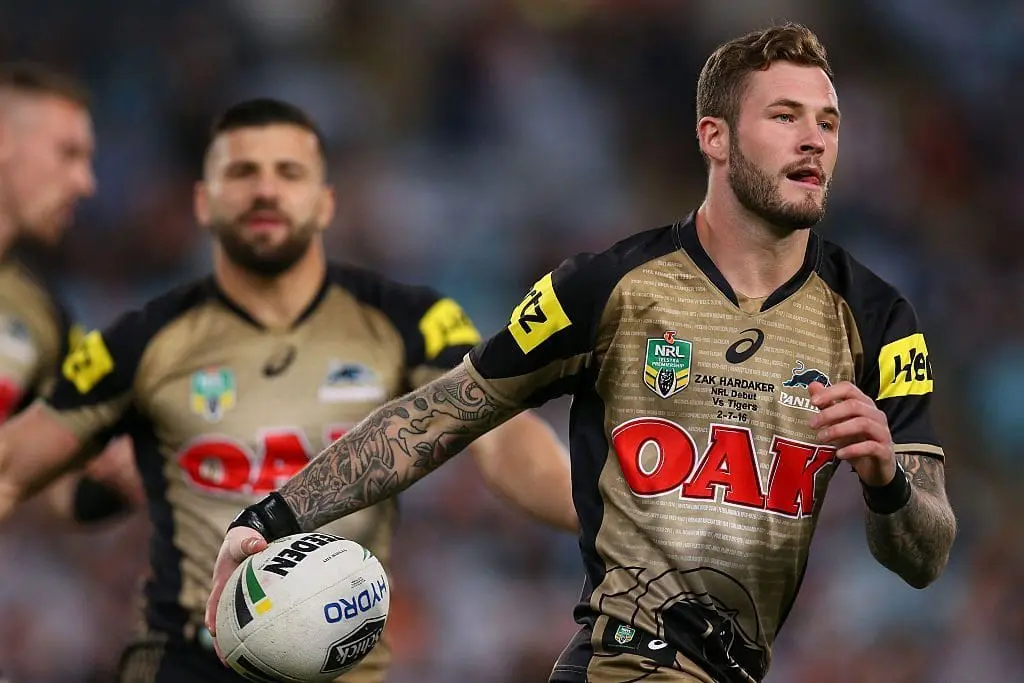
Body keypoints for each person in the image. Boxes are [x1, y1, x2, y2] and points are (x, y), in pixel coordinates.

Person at [207, 23, 958, 683]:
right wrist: (273, 515)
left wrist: (888, 480)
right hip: (628, 659)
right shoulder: (611, 287)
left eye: (828, 121)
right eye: (785, 116)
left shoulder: (878, 317)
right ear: (715, 137)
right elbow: (443, 412)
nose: (814, 139)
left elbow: (923, 557)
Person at [0, 97, 577, 683]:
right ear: (203, 200)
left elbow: (502, 439)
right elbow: (10, 469)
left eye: (289, 173)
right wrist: (92, 491)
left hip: (345, 663)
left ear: (326, 202)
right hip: (187, 661)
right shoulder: (139, 342)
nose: (265, 191)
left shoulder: (412, 321)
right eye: (242, 172)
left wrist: (597, 510)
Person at [0, 62, 139, 520]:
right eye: (67, 153)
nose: (86, 183)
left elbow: (66, 492)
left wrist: (127, 474)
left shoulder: (42, 318)